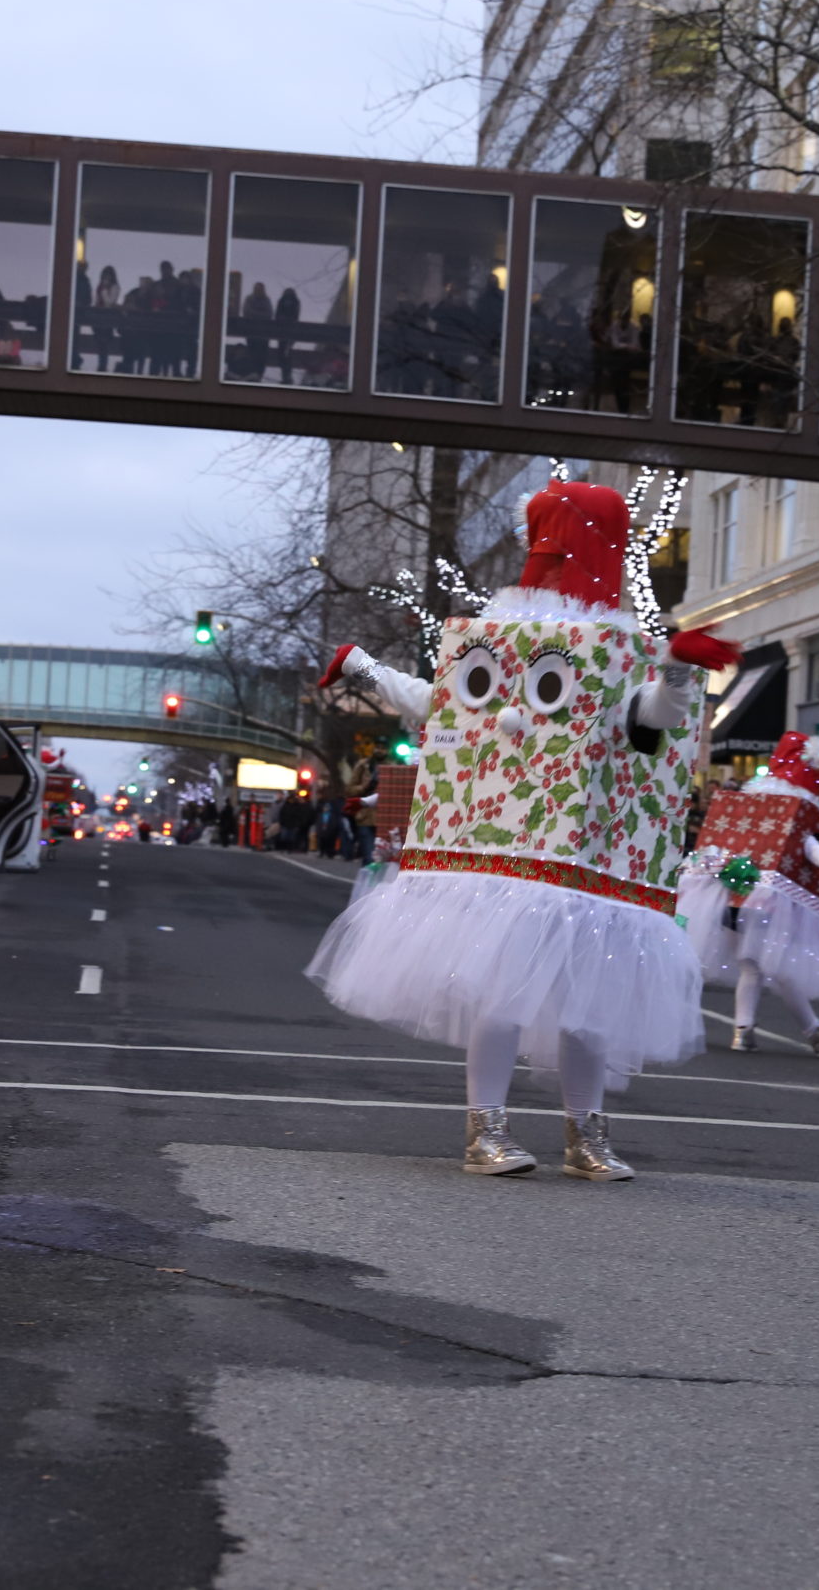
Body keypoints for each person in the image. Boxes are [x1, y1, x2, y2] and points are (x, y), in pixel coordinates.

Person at [305, 478, 734, 1179]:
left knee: (582, 1004)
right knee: (507, 992)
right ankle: (490, 1131)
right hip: (511, 860)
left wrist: (678, 672)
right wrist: (368, 669)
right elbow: (446, 708)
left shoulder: (601, 651)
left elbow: (645, 715)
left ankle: (582, 1136)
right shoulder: (512, 642)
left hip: (580, 865)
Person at [681, 731, 819, 1057]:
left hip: (727, 895)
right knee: (775, 965)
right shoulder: (796, 810)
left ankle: (744, 1029)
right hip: (767, 901)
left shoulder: (747, 804)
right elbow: (810, 845)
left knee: (752, 965)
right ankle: (813, 1031)